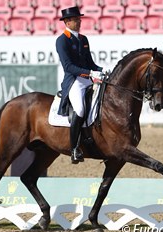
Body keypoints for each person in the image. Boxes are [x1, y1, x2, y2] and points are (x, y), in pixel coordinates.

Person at [56, 6, 104, 164]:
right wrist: (90, 73)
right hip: (74, 81)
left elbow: (90, 63)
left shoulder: (83, 39)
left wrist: (102, 70)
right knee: (80, 109)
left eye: (79, 19)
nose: (79, 22)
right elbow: (68, 67)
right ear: (67, 22)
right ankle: (74, 148)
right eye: (76, 20)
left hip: (87, 79)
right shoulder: (62, 41)